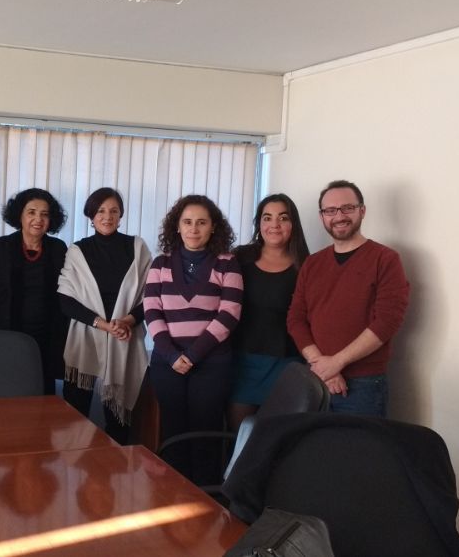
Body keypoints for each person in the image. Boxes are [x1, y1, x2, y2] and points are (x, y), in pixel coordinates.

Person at [287, 180, 410, 417]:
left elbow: (387, 322)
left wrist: (337, 362)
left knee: (358, 452)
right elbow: (296, 318)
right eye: (330, 210)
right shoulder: (313, 264)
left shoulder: (385, 259)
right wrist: (324, 365)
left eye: (347, 208)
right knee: (311, 452)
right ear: (322, 216)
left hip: (363, 386)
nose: (339, 216)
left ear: (362, 211)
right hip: (315, 380)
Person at [143, 194, 242, 484]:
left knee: (205, 432)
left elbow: (229, 315)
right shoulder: (160, 263)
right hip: (167, 362)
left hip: (212, 364)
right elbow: (151, 311)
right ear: (177, 226)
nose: (194, 229)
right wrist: (173, 355)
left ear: (213, 227)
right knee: (174, 431)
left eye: (201, 222)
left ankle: (206, 500)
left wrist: (193, 355)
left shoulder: (227, 264)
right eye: (187, 222)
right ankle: (173, 494)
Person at [58, 187, 152, 444]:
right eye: (101, 211)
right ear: (91, 215)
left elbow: (151, 295)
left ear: (121, 215)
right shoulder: (77, 251)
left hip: (125, 336)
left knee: (118, 422)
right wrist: (103, 325)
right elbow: (66, 300)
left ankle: (115, 473)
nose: (107, 216)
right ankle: (75, 473)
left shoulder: (137, 247)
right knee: (74, 416)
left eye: (114, 211)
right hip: (86, 337)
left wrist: (127, 321)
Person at [0, 188, 68, 395]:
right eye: (31, 212)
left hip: (46, 337)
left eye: (45, 214)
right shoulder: (0, 247)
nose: (38, 219)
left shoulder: (58, 248)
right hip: (4, 335)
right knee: (5, 393)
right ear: (20, 215)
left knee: (42, 394)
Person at [228, 194, 310, 427]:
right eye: (267, 218)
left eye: (282, 218)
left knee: (276, 439)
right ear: (259, 224)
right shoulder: (239, 257)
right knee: (240, 438)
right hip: (241, 362)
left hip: (287, 364)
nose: (274, 225)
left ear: (293, 224)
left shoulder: (306, 265)